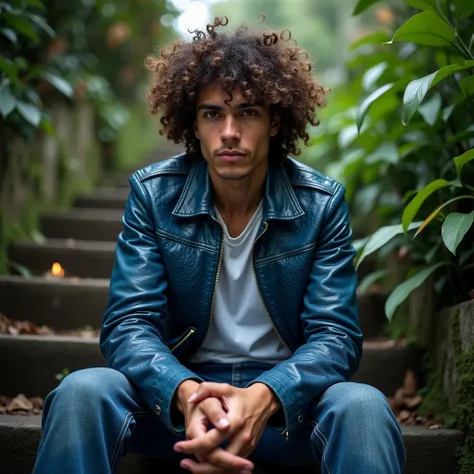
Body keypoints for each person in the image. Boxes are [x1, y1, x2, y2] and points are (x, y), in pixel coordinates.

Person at [32, 17, 405, 474]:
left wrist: (264, 397)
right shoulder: (153, 195)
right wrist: (186, 394)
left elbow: (335, 336)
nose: (230, 131)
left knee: (362, 406)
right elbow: (129, 324)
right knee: (82, 391)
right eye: (213, 113)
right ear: (194, 122)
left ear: (274, 121)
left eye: (248, 112)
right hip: (175, 400)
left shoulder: (321, 205)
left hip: (284, 407)